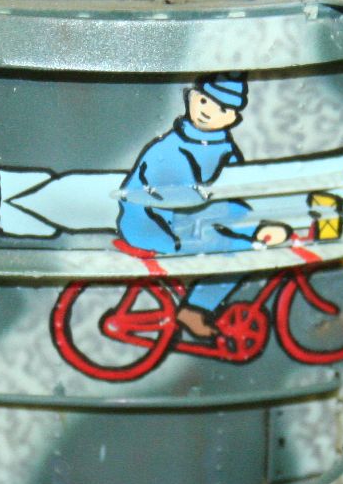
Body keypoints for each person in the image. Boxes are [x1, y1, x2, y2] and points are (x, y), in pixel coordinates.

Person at [116, 74, 288, 338]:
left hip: (186, 216)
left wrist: (254, 223)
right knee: (233, 252)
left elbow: (234, 191)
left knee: (237, 221)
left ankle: (257, 234)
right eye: (204, 101)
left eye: (221, 109)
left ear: (232, 118)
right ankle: (194, 309)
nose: (208, 112)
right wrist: (244, 236)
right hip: (152, 222)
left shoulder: (223, 145)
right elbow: (184, 199)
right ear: (191, 98)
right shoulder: (170, 148)